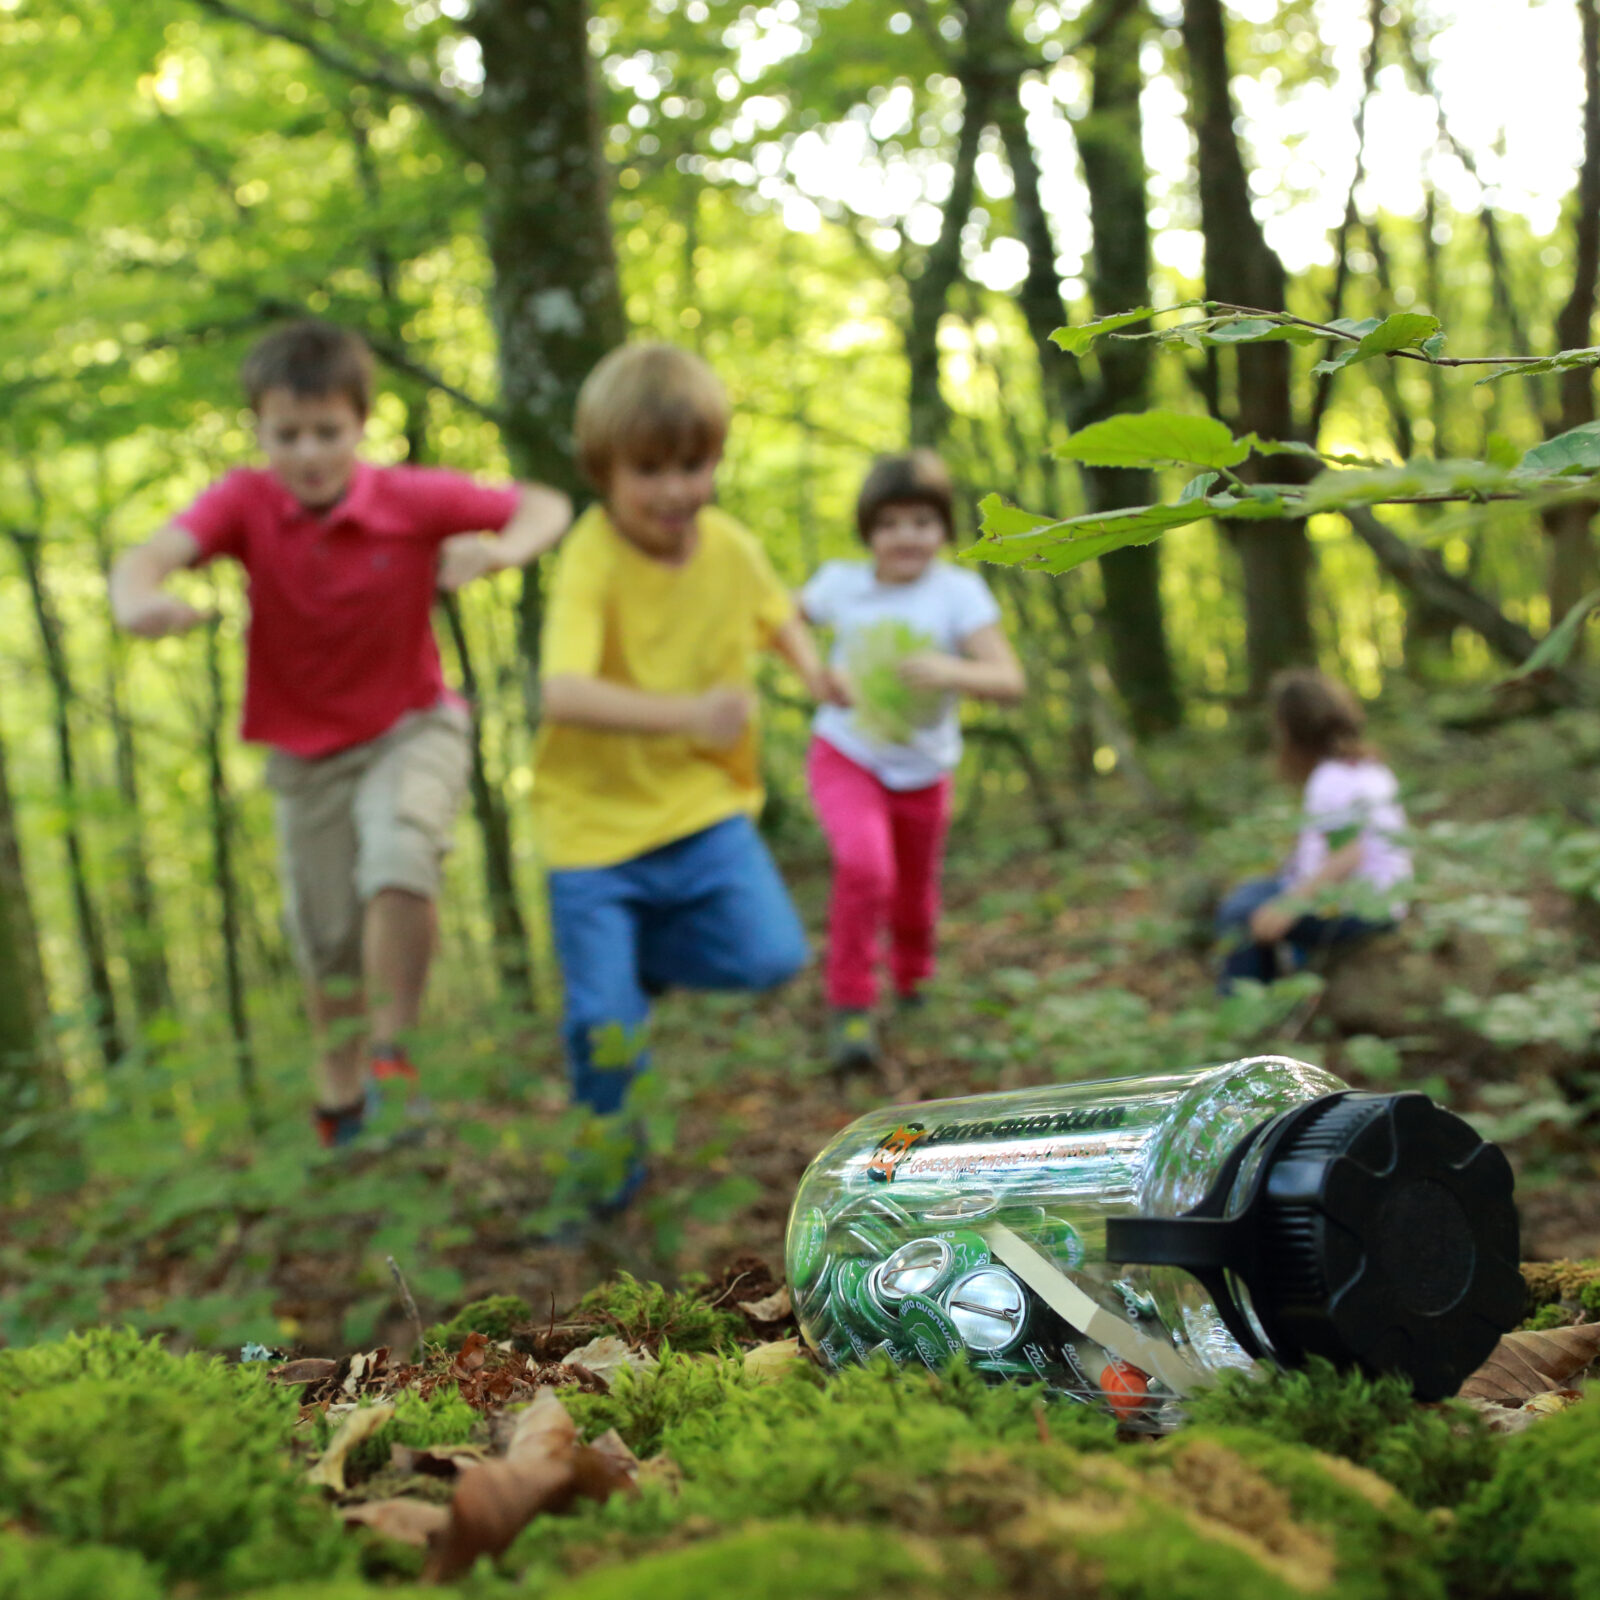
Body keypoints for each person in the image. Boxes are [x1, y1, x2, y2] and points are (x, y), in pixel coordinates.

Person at [109, 319, 571, 1147]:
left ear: (360, 426)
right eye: (288, 434)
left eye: (328, 431)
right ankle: (342, 1100)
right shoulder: (244, 502)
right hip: (305, 755)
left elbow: (546, 504)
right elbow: (147, 557)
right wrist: (137, 602)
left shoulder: (411, 497)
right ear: (259, 431)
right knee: (326, 949)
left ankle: (394, 1061)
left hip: (411, 725)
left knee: (400, 855)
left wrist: (501, 556)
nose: (310, 452)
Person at [534, 341, 834, 1210]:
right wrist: (688, 713)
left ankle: (642, 959)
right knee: (605, 1027)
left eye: (693, 465)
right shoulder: (592, 555)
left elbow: (779, 614)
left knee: (772, 955)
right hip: (591, 831)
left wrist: (817, 677)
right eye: (650, 470)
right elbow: (562, 690)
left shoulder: (729, 547)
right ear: (604, 469)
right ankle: (605, 1183)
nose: (675, 491)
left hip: (701, 805)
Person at [800, 451, 1024, 1072]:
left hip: (925, 768)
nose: (907, 536)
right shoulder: (839, 584)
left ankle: (913, 978)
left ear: (943, 530)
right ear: (868, 528)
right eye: (891, 522)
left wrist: (952, 669)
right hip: (848, 752)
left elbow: (1009, 678)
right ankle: (850, 1004)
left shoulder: (958, 593)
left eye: (923, 522)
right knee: (865, 867)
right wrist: (818, 673)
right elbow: (777, 623)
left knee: (914, 891)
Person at [1216, 668, 1412, 992]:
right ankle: (1280, 980)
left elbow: (1350, 853)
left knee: (1239, 914)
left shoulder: (1331, 779)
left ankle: (1245, 1010)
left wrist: (1289, 905)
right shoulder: (1369, 768)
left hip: (1360, 910)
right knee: (1250, 893)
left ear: (1290, 730)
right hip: (1383, 900)